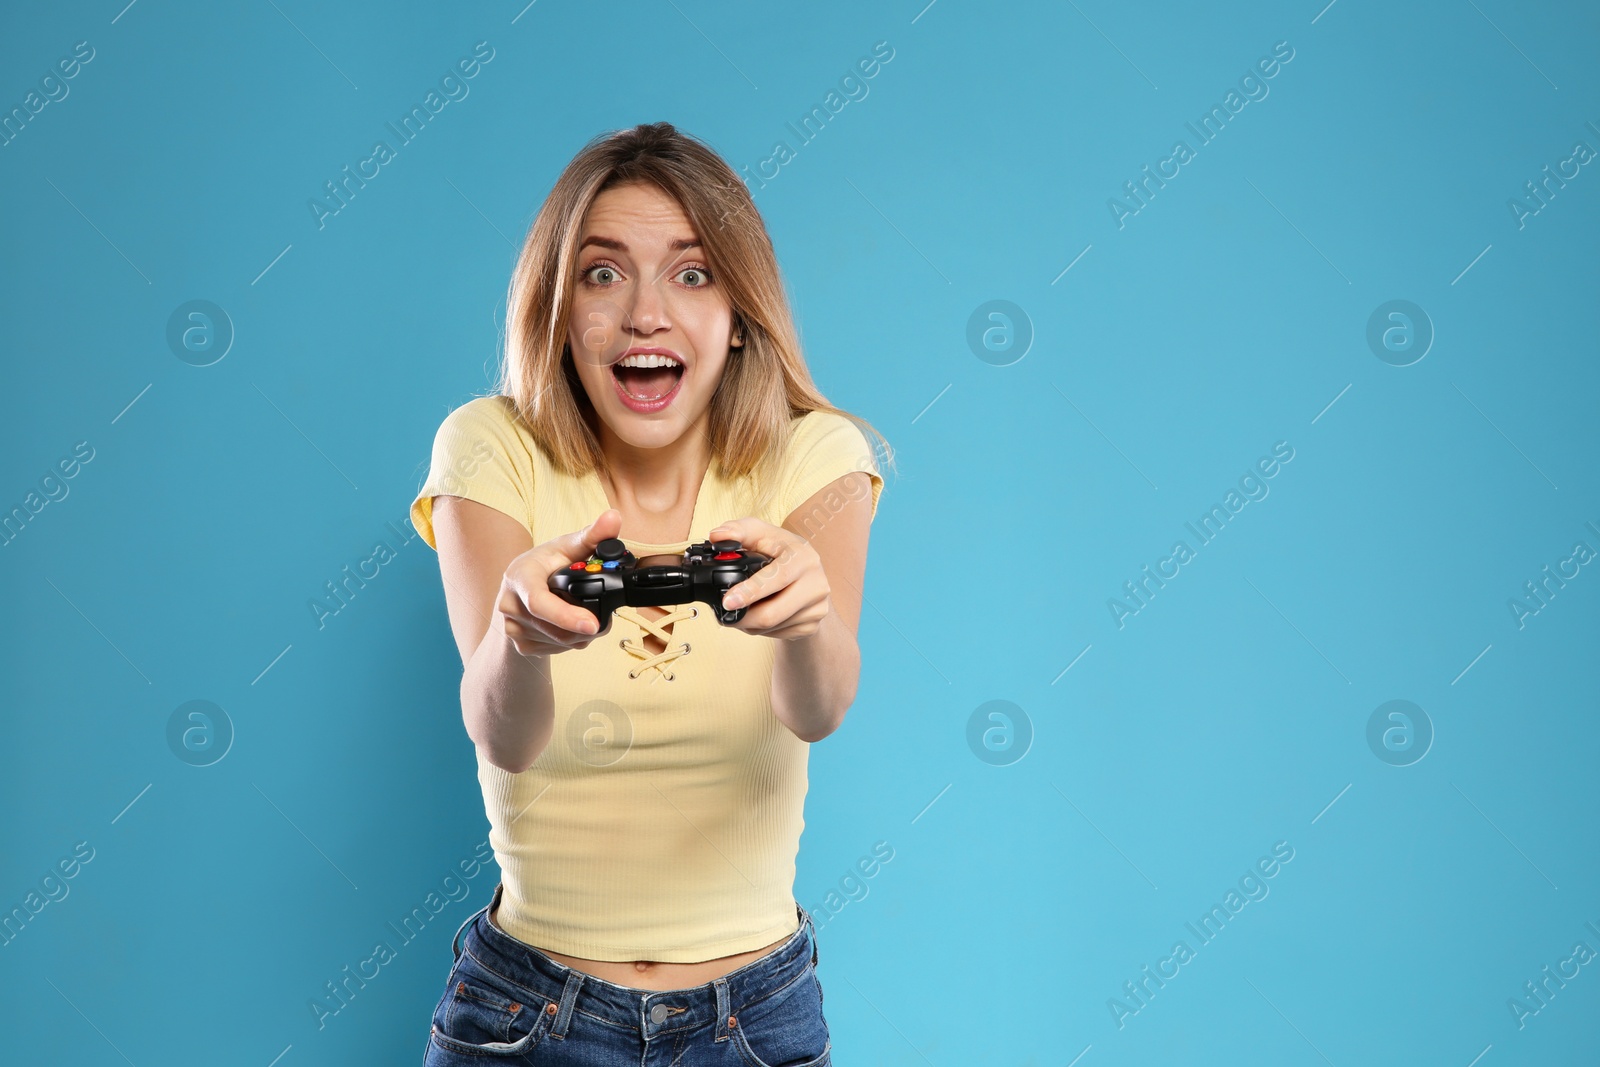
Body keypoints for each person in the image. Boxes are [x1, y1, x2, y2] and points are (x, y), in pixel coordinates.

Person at [409, 121, 891, 1065]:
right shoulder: (489, 445)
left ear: (741, 311)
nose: (644, 315)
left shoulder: (816, 454)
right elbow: (501, 730)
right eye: (601, 273)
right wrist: (519, 637)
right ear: (556, 307)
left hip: (755, 1015)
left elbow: (821, 705)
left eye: (692, 272)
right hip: (524, 1013)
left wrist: (806, 621)